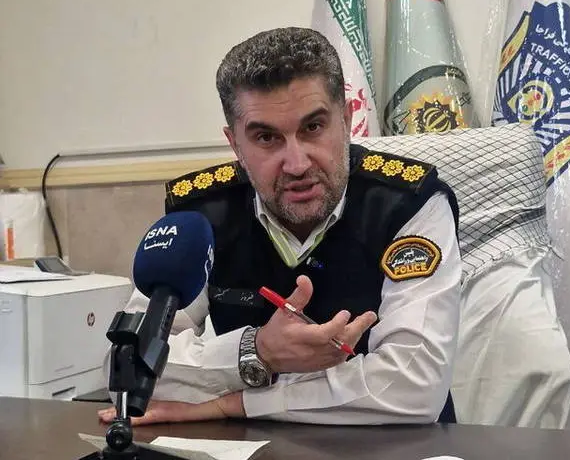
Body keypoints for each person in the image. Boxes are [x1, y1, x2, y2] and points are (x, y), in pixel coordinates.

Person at [99, 27, 462, 426]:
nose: (297, 164)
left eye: (313, 128)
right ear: (235, 145)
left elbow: (415, 386)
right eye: (267, 137)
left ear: (346, 120)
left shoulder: (410, 203)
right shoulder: (200, 215)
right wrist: (257, 351)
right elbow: (128, 372)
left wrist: (233, 403)